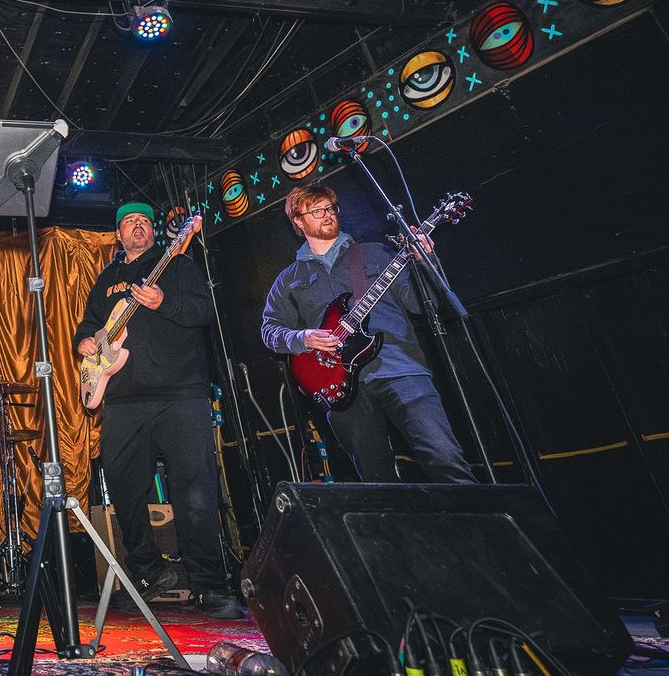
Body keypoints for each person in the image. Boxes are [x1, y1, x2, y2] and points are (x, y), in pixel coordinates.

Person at [73, 202, 239, 620]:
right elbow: (88, 324)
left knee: (195, 492)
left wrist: (163, 301)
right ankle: (149, 574)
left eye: (145, 221)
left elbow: (205, 312)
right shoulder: (107, 278)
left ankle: (210, 587)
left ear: (154, 231)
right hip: (123, 400)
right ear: (118, 235)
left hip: (181, 394)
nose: (138, 227)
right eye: (130, 222)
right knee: (123, 489)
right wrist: (85, 342)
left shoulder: (177, 266)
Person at [262, 183, 476, 484]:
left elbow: (421, 303)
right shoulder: (289, 279)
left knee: (445, 459)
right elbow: (269, 329)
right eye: (318, 211)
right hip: (339, 387)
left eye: (331, 208)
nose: (328, 215)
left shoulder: (375, 253)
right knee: (376, 480)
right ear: (299, 221)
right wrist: (303, 338)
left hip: (399, 369)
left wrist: (426, 262)